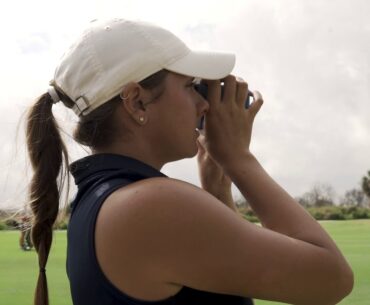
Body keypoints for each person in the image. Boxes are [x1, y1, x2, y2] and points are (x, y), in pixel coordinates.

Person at [24, 18, 353, 305]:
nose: (204, 104)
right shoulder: (151, 206)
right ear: (137, 102)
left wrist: (217, 190)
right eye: (189, 86)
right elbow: (331, 280)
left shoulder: (105, 198)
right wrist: (239, 159)